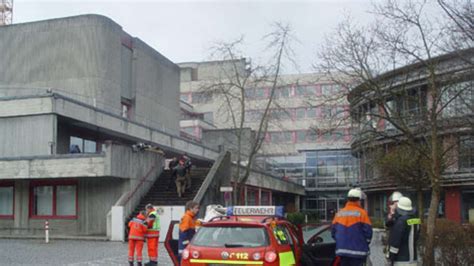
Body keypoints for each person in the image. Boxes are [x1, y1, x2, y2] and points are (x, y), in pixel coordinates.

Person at [332, 188, 373, 266]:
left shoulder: (339, 213)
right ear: (358, 200)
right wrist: (365, 243)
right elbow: (368, 233)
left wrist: (341, 242)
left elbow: (333, 232)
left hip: (342, 251)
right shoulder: (362, 213)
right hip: (358, 252)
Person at [387, 197, 421, 266]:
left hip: (401, 260)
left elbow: (395, 241)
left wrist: (391, 257)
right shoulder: (416, 220)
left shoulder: (400, 221)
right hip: (413, 259)